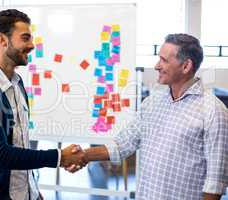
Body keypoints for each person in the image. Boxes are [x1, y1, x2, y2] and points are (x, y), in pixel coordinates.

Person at [70, 33, 228, 200]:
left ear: (186, 66)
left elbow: (215, 182)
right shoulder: (152, 103)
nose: (157, 66)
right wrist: (84, 155)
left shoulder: (214, 112)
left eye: (164, 60)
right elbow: (122, 144)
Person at [0, 9, 86, 200]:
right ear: (2, 40)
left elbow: (19, 142)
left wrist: (32, 188)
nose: (32, 45)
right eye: (25, 38)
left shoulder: (17, 84)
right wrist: (60, 157)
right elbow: (1, 155)